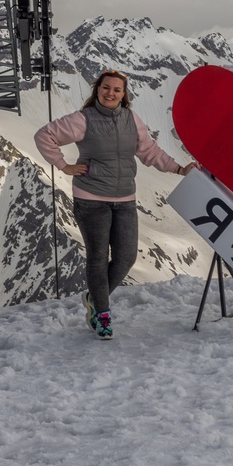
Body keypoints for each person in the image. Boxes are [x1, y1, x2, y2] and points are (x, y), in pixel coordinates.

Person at [34, 69, 195, 338]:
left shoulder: (132, 119)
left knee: (126, 257)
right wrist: (63, 166)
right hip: (91, 198)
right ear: (97, 90)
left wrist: (179, 169)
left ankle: (95, 299)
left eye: (116, 90)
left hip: (125, 198)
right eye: (106, 88)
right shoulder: (83, 119)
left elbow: (149, 151)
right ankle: (102, 315)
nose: (110, 93)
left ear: (124, 95)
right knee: (98, 258)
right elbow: (44, 135)